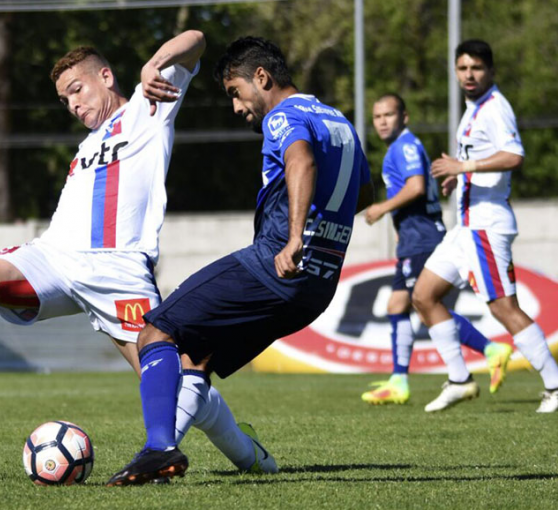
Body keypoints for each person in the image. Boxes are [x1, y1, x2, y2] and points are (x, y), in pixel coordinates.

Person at [0, 31, 278, 474]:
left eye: (77, 90)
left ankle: (245, 453)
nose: (74, 104)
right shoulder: (85, 147)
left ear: (106, 76)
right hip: (54, 259)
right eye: (65, 100)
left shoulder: (149, 104)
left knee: (169, 379)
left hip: (115, 269)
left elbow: (196, 38)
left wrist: (154, 63)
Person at [106, 36, 374, 486]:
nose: (236, 107)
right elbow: (364, 193)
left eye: (235, 92)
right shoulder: (339, 122)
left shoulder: (283, 116)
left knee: (157, 329)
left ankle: (157, 447)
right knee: (198, 359)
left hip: (273, 265)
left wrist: (293, 239)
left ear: (262, 78)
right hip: (316, 289)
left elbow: (301, 160)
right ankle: (222, 459)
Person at [414, 39, 558, 413]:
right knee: (424, 295)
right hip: (466, 228)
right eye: (463, 68)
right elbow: (483, 156)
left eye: (477, 68)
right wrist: (460, 176)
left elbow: (514, 155)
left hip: (486, 227)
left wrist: (463, 168)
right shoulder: (473, 109)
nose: (469, 75)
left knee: (504, 308)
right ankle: (459, 380)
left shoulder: (495, 108)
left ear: (491, 71)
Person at [360, 93, 513, 405]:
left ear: (405, 116)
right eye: (378, 117)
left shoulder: (404, 146)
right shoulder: (400, 147)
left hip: (424, 240)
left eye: (389, 114)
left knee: (424, 303)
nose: (383, 122)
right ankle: (399, 380)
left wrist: (381, 208)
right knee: (397, 306)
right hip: (414, 240)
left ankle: (489, 349)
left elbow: (415, 187)